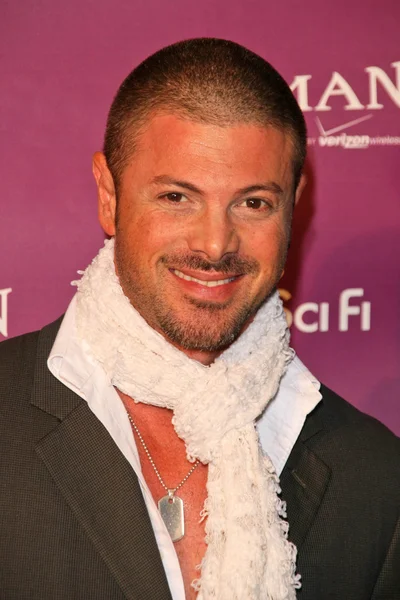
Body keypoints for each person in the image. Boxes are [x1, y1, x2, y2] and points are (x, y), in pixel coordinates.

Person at [0, 38, 399, 600]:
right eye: (176, 197)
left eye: (253, 202)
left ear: (294, 203)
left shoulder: (375, 477)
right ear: (109, 195)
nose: (215, 245)